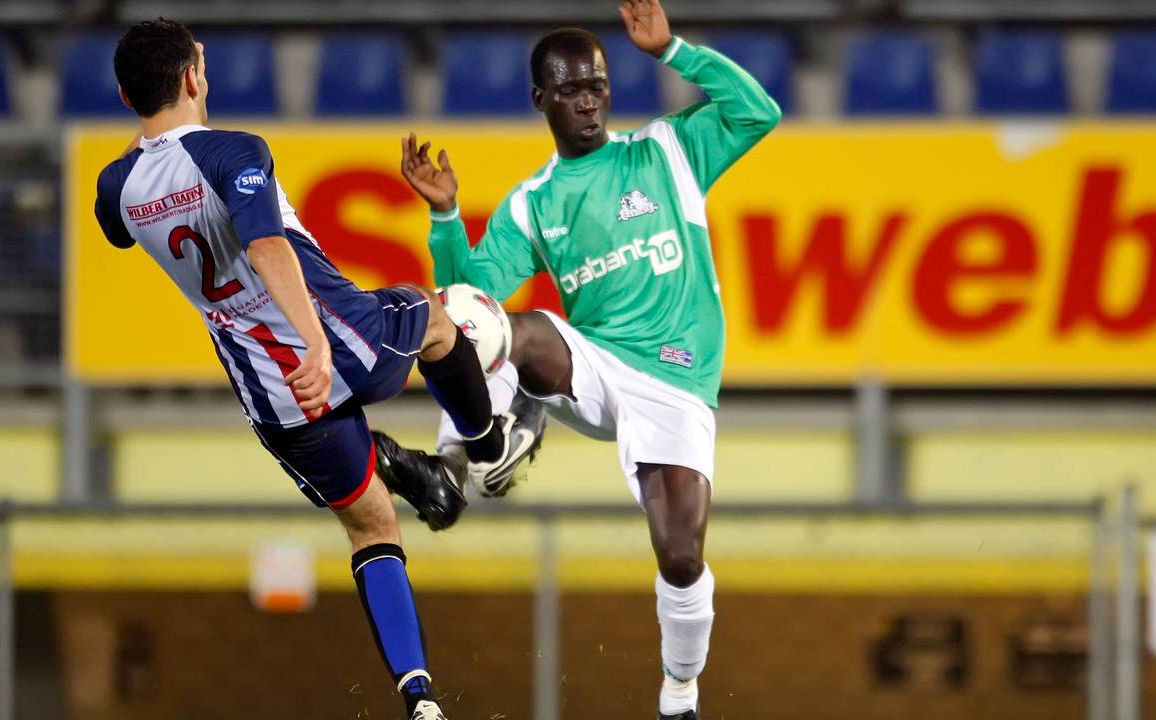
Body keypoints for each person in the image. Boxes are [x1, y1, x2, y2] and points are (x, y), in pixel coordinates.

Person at [95, 19, 518, 720]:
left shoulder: (117, 186)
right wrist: (317, 344)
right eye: (201, 64)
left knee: (372, 527)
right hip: (338, 340)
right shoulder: (235, 151)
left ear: (125, 96)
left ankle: (419, 696)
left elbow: (115, 223)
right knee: (436, 316)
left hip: (273, 395)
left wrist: (146, 131)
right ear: (194, 79)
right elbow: (268, 247)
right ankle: (489, 444)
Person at [381, 1, 782, 717]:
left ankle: (680, 694)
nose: (589, 100)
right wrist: (446, 217)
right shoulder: (533, 203)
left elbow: (760, 112)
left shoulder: (667, 151)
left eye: (597, 85)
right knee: (494, 325)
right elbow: (468, 303)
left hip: (677, 381)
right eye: (570, 89)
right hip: (593, 364)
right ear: (541, 98)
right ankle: (454, 469)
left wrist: (675, 51)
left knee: (682, 557)